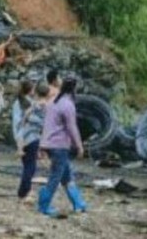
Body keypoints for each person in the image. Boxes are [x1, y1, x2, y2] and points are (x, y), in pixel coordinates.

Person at [37, 77, 87, 218]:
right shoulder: (68, 105)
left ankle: (78, 203)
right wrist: (79, 145)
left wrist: (42, 145)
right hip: (60, 145)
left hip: (49, 143)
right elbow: (72, 127)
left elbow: (46, 125)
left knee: (66, 175)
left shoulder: (52, 102)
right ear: (74, 89)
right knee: (55, 177)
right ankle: (43, 205)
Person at [17, 82, 51, 204]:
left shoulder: (32, 104)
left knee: (26, 164)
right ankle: (23, 192)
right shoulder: (46, 107)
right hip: (35, 137)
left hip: (25, 136)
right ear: (47, 94)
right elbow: (46, 125)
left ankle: (24, 191)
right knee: (31, 167)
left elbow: (24, 118)